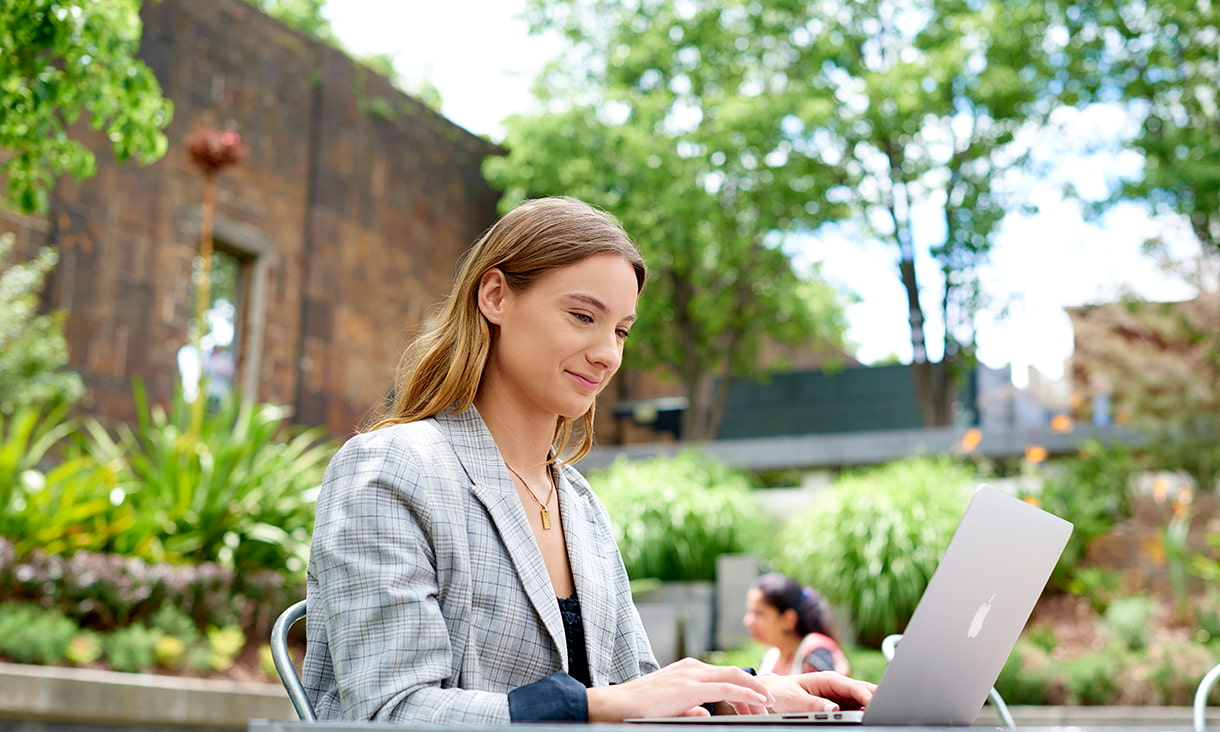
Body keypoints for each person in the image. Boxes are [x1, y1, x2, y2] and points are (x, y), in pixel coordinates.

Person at [301, 196, 875, 724]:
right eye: (583, 316)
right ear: (495, 295)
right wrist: (606, 703)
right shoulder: (392, 469)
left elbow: (633, 687)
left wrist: (754, 693)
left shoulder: (578, 503)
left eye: (621, 331)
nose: (606, 354)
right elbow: (389, 712)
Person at [744, 572, 852, 676]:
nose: (748, 621)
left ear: (788, 619)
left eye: (759, 614)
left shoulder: (817, 654)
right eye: (750, 612)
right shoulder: (771, 658)